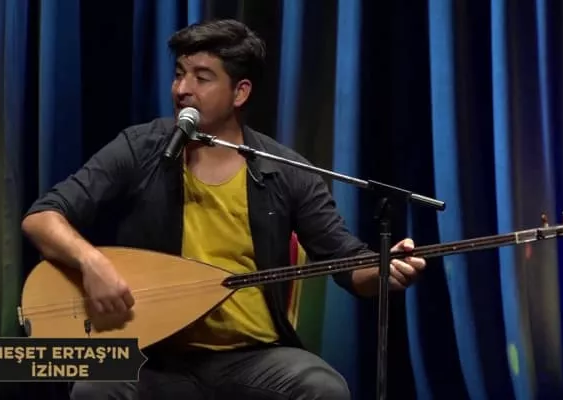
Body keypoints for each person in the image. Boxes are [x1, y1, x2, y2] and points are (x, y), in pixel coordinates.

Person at [21, 18, 426, 400]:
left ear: (240, 92)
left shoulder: (286, 171)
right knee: (94, 387)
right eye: (179, 73)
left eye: (202, 77)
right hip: (151, 355)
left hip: (252, 358)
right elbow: (42, 218)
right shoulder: (140, 148)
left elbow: (348, 265)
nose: (183, 89)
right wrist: (91, 263)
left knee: (322, 387)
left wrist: (385, 269)